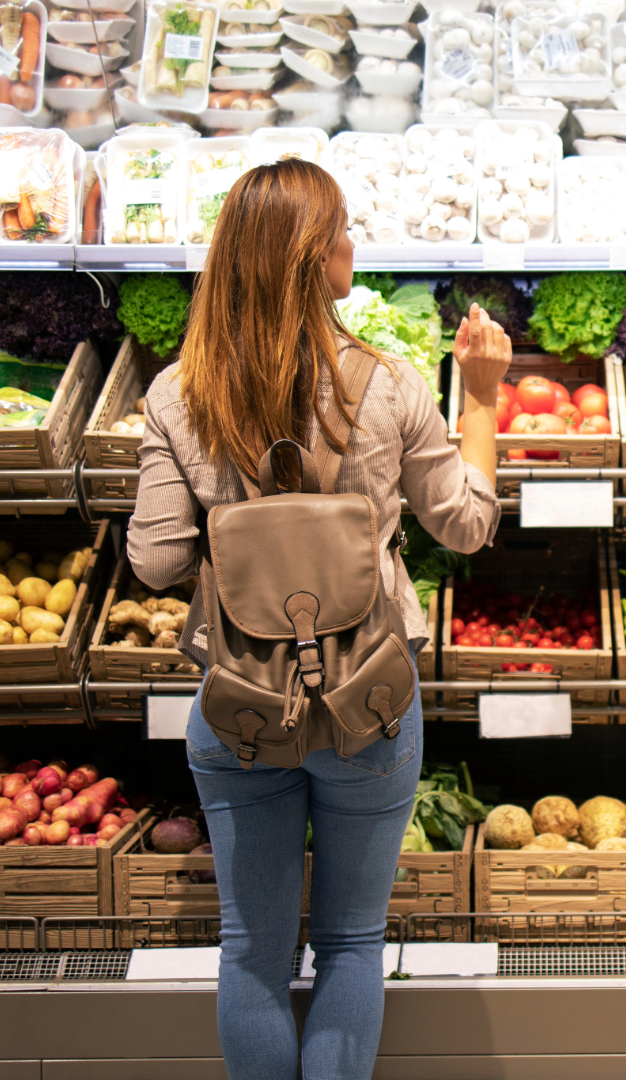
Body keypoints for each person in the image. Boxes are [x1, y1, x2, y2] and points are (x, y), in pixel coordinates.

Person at [127, 157, 511, 1080]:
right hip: (367, 703)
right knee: (348, 941)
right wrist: (486, 396)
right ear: (311, 259)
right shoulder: (388, 384)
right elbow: (464, 525)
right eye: (339, 229)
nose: (352, 244)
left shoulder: (179, 397)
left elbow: (156, 560)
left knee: (251, 952)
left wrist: (242, 539)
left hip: (240, 706)